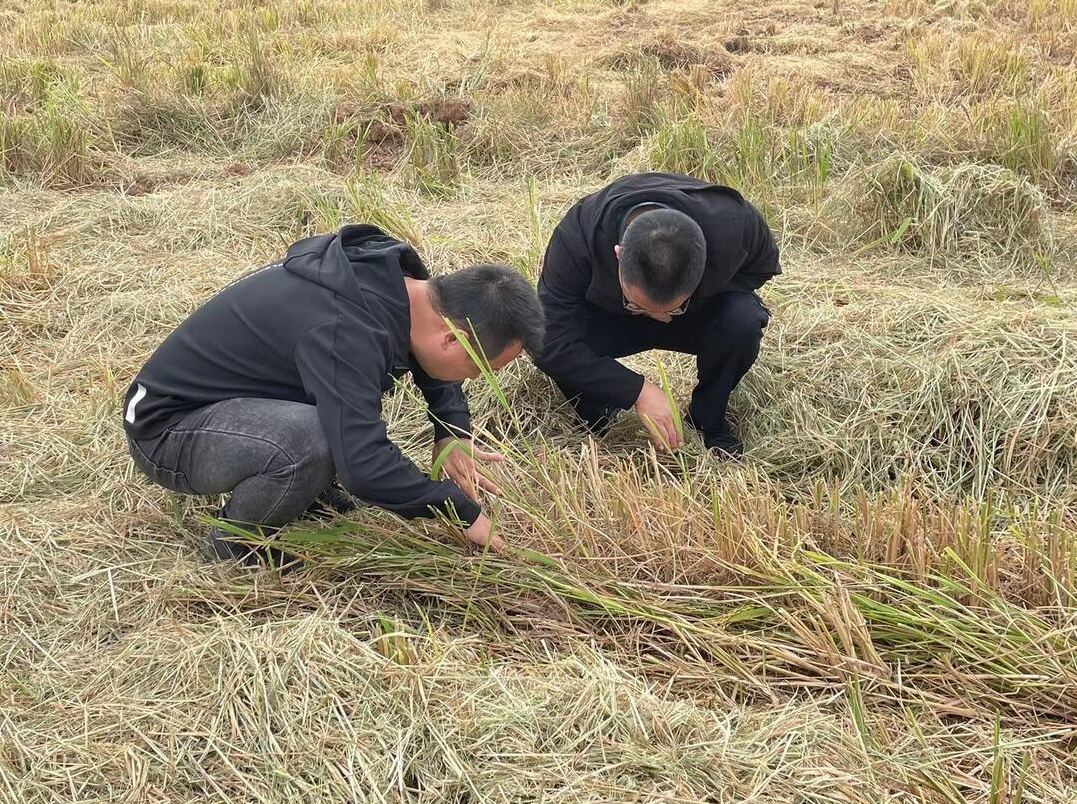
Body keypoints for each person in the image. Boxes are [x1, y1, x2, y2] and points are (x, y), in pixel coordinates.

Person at [122, 224, 544, 565]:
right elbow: (364, 467)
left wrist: (450, 430)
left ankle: (305, 491)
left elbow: (426, 355)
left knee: (329, 429)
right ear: (453, 339)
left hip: (235, 407)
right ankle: (234, 546)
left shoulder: (404, 286)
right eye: (478, 368)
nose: (472, 379)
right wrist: (459, 510)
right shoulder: (346, 328)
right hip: (167, 430)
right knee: (312, 441)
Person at [534, 172, 780, 456]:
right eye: (637, 302)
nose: (653, 314)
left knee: (743, 320)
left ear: (705, 267)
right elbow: (547, 340)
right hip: (610, 317)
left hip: (691, 315)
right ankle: (601, 413)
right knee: (554, 338)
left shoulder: (735, 224)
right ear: (618, 255)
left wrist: (690, 305)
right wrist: (635, 390)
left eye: (672, 305)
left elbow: (760, 269)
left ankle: (706, 419)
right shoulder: (578, 237)